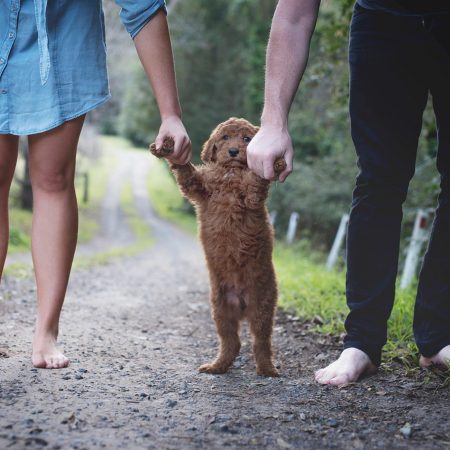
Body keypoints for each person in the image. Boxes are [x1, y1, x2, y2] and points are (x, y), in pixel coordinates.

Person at [247, 0, 450, 385]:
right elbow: (294, 13)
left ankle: (439, 335)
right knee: (379, 179)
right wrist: (273, 121)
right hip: (384, 23)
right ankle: (362, 343)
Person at [0, 0, 191, 369]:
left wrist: (170, 113)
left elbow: (143, 6)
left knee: (53, 178)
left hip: (61, 47)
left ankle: (46, 330)